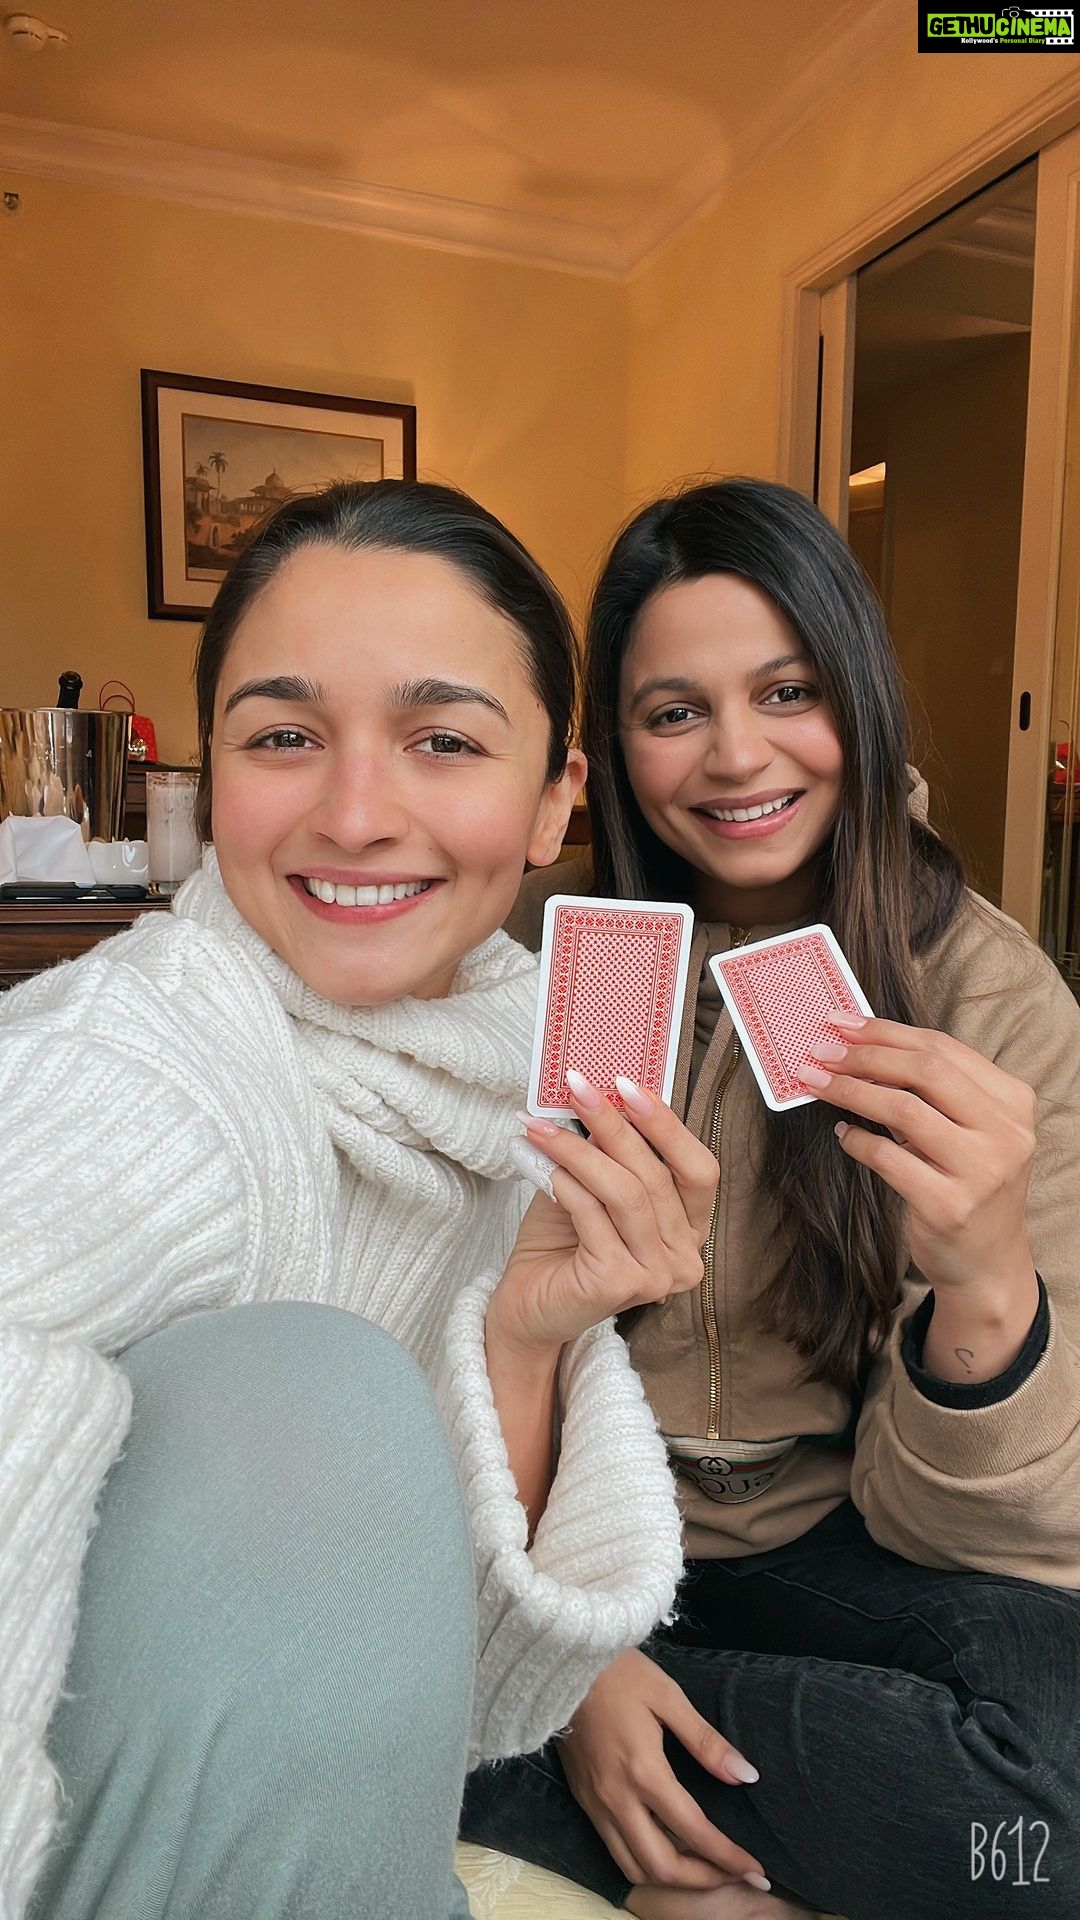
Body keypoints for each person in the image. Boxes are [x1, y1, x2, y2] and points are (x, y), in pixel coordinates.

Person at [0, 480, 738, 1920]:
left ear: (554, 801)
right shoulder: (147, 1071)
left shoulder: (510, 1071)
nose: (352, 815)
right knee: (314, 1380)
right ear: (212, 777)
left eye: (442, 740)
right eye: (283, 737)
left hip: (302, 1819)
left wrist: (528, 1338)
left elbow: (446, 1698)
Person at [462, 478, 1080, 1920]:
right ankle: (651, 1785)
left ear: (861, 698)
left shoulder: (990, 998)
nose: (737, 756)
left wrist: (987, 1289)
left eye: (788, 691)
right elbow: (435, 1332)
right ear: (608, 747)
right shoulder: (527, 950)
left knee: (1053, 1804)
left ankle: (636, 1808)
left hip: (834, 1546)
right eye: (674, 710)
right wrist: (573, 1658)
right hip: (557, 1535)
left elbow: (1007, 1550)